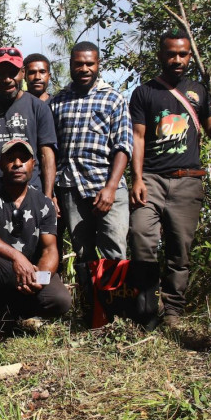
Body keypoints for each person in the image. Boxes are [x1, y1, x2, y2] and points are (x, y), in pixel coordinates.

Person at [129, 31, 211, 326]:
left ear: (189, 57)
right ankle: (146, 308)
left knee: (179, 249)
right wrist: (137, 179)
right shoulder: (144, 93)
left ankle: (172, 311)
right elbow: (139, 137)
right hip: (152, 179)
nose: (178, 60)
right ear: (160, 55)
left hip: (188, 181)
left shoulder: (198, 91)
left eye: (183, 55)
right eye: (171, 54)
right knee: (141, 237)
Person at [0, 139, 71, 330]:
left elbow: (50, 249)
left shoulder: (44, 202)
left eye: (24, 158)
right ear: (0, 163)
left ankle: (13, 318)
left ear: (34, 163)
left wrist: (38, 279)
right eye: (11, 158)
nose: (17, 163)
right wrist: (16, 257)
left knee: (60, 299)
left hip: (28, 273)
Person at [50, 42, 133, 265]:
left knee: (114, 252)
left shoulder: (113, 99)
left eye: (89, 64)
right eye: (78, 64)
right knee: (83, 256)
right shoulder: (58, 101)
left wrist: (111, 188)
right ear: (70, 65)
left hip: (105, 187)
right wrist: (53, 193)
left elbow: (123, 146)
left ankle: (117, 300)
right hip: (70, 189)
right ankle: (90, 300)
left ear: (98, 65)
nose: (84, 69)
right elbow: (51, 150)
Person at [0, 46, 58, 197]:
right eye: (1, 74)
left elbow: (47, 154)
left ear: (22, 73)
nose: (7, 80)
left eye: (12, 73)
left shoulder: (39, 108)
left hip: (32, 193)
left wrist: (48, 196)